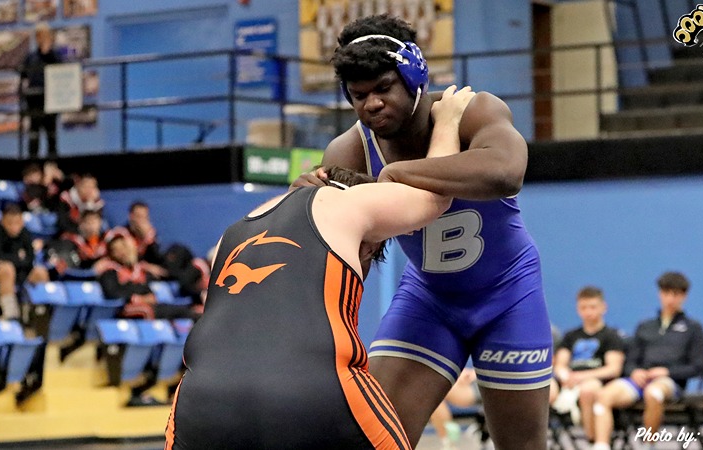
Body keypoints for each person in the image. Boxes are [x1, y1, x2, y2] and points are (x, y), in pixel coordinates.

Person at [291, 13, 551, 449]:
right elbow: (353, 259)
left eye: (383, 89)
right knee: (373, 441)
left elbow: (506, 172)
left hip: (507, 295)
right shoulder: (350, 149)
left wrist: (396, 175)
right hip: (429, 300)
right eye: (358, 96)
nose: (372, 104)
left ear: (414, 78)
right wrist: (307, 210)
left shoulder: (471, 111)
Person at [165, 85, 472, 449]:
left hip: (198, 401)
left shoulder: (231, 234)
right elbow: (432, 196)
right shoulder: (346, 204)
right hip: (312, 388)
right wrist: (448, 120)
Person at [590, 272, 703, 450]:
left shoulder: (693, 328)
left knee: (654, 393)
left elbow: (697, 367)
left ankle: (648, 444)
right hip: (638, 381)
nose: (670, 299)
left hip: (669, 383)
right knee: (603, 396)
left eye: (676, 294)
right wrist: (635, 372)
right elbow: (630, 361)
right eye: (666, 293)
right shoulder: (645, 327)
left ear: (684, 296)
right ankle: (601, 445)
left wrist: (666, 372)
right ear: (660, 294)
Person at [550, 286, 625, 442]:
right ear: (578, 309)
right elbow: (560, 363)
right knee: (545, 389)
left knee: (588, 390)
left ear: (603, 307)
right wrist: (564, 376)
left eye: (593, 307)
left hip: (596, 381)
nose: (588, 312)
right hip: (569, 380)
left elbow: (613, 369)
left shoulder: (611, 336)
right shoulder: (571, 336)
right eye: (583, 308)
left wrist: (581, 377)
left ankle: (592, 439)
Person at [0, 203, 50, 319]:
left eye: (17, 223)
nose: (14, 227)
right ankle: (10, 314)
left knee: (41, 272)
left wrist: (12, 259)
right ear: (3, 220)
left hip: (21, 271)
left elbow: (30, 258)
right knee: (7, 269)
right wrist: (19, 258)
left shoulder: (24, 233)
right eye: (10, 223)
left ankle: (38, 314)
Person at [19, 22, 62, 160]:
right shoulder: (31, 57)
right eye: (38, 36)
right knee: (34, 136)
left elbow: (62, 73)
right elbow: (23, 75)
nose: (41, 38)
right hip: (34, 102)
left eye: (44, 35)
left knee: (51, 135)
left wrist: (47, 52)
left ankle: (52, 164)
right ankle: (33, 164)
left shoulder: (55, 56)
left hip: (51, 101)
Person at [428, 367, 481, 449]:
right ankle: (448, 443)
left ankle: (449, 444)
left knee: (434, 391)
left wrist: (476, 373)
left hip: (489, 380)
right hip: (476, 377)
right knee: (432, 390)